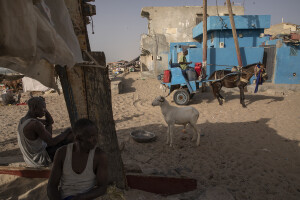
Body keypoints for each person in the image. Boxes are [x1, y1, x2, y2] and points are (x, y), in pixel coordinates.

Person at [47, 118, 108, 200]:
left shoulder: (99, 156)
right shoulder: (62, 153)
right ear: (78, 138)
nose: (95, 140)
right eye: (90, 137)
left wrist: (81, 197)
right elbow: (52, 186)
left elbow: (102, 187)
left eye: (96, 135)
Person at [17, 96, 73, 167]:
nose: (44, 110)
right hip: (39, 160)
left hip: (31, 158)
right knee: (72, 136)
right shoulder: (35, 124)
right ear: (34, 108)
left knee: (64, 135)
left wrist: (44, 109)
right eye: (43, 108)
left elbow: (49, 122)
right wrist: (67, 130)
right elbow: (52, 142)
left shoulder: (24, 120)